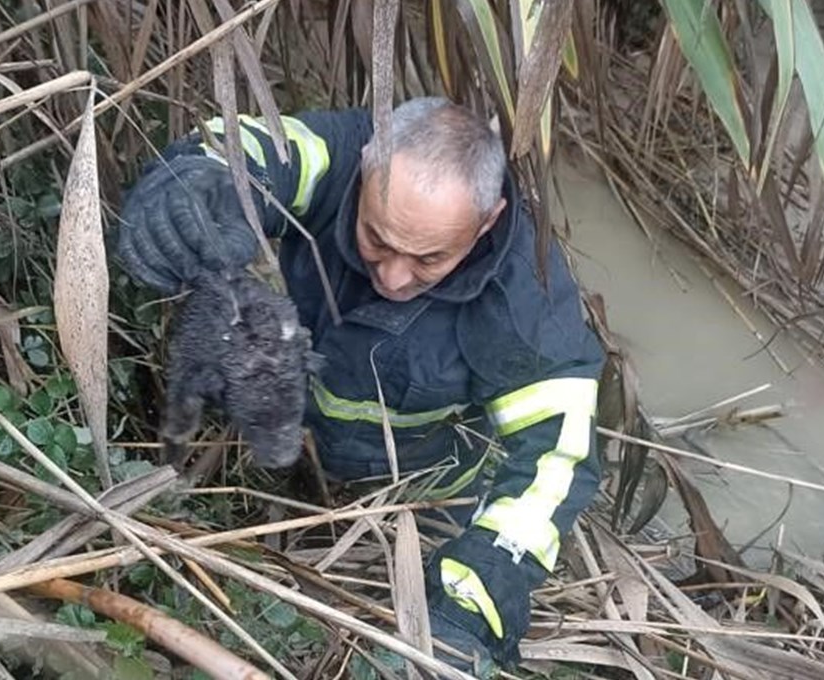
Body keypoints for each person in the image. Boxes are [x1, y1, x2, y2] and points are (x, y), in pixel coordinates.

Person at [116, 97, 606, 674]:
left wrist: (478, 587)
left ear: (487, 222)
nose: (394, 275)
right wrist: (194, 186)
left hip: (415, 497)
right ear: (367, 165)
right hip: (280, 444)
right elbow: (238, 145)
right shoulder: (340, 154)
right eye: (377, 238)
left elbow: (559, 457)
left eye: (428, 259)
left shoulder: (528, 305)